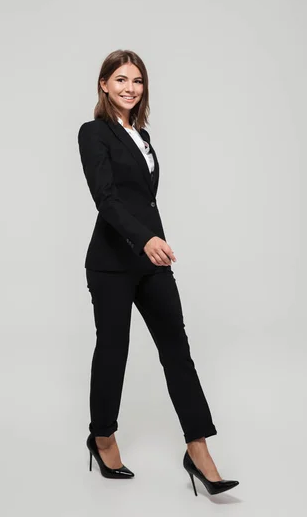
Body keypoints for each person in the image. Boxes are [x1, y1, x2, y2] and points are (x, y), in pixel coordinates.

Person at [78, 49, 239, 495]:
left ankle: (199, 448)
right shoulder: (94, 133)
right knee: (114, 349)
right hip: (112, 262)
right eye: (121, 79)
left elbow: (143, 200)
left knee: (177, 349)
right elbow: (106, 199)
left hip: (152, 261)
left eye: (138, 81)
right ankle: (103, 437)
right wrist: (144, 239)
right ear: (104, 84)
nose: (130, 88)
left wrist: (154, 243)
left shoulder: (143, 136)